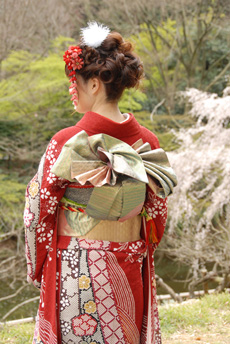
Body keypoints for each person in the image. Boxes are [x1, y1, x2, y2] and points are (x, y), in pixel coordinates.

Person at [24, 22, 177, 344]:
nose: (72, 92)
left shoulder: (68, 141)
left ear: (94, 85)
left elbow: (38, 211)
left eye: (74, 84)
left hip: (78, 262)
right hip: (130, 257)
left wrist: (38, 262)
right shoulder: (147, 142)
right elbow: (157, 213)